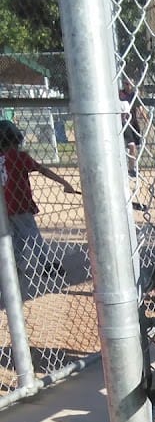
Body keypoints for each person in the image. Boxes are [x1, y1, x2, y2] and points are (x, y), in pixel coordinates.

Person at [0, 118, 76, 293]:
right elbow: (43, 170)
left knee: (17, 237)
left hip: (5, 206)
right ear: (16, 138)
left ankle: (13, 265)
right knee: (33, 236)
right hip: (19, 204)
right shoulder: (19, 156)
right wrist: (64, 182)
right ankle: (46, 265)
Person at [119, 77, 145, 180]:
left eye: (130, 84)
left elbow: (141, 109)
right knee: (132, 146)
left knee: (135, 147)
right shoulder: (120, 95)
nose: (128, 86)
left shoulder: (134, 96)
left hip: (134, 124)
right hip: (124, 124)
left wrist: (146, 120)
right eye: (126, 84)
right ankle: (131, 169)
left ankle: (132, 166)